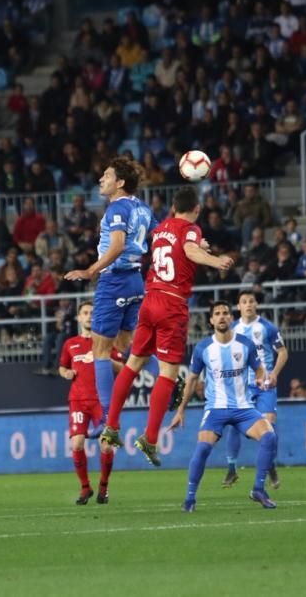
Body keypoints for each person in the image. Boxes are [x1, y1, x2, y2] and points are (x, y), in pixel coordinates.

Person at [100, 186, 234, 465]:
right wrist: (214, 260)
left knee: (134, 363)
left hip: (150, 300)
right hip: (172, 304)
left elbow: (177, 247)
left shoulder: (161, 228)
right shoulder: (191, 228)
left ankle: (111, 426)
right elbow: (188, 249)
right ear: (197, 210)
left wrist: (199, 247)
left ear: (173, 207)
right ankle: (149, 439)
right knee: (168, 373)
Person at [64, 159, 157, 417]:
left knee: (100, 351)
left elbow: (116, 246)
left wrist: (89, 270)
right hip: (135, 281)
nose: (101, 179)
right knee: (128, 348)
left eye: (106, 175)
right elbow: (160, 236)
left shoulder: (117, 209)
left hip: (114, 281)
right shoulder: (142, 208)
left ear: (120, 183)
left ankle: (106, 419)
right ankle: (168, 382)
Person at [169, 301, 277, 512]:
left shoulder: (245, 344)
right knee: (202, 449)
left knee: (269, 436)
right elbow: (191, 380)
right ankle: (190, 499)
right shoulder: (203, 348)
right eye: (217, 313)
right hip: (215, 409)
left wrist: (260, 378)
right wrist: (181, 410)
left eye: (225, 313)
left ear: (230, 317)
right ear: (211, 320)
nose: (221, 317)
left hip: (243, 407)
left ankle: (258, 489)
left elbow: (259, 369)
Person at [221, 290, 288, 489]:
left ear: (256, 304)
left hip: (265, 384)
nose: (248, 304)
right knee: (234, 424)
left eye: (251, 301)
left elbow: (283, 353)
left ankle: (271, 466)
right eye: (244, 302)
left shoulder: (267, 327)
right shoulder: (232, 329)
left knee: (269, 425)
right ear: (239, 307)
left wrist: (274, 373)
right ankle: (232, 469)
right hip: (241, 385)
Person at [58, 301, 118, 505]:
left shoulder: (106, 341)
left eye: (92, 312)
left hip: (101, 401)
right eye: (85, 313)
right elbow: (62, 367)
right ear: (79, 317)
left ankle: (104, 486)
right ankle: (85, 487)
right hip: (78, 400)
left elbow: (122, 367)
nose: (89, 316)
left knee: (106, 446)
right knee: (76, 443)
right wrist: (66, 373)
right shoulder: (70, 344)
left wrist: (108, 361)